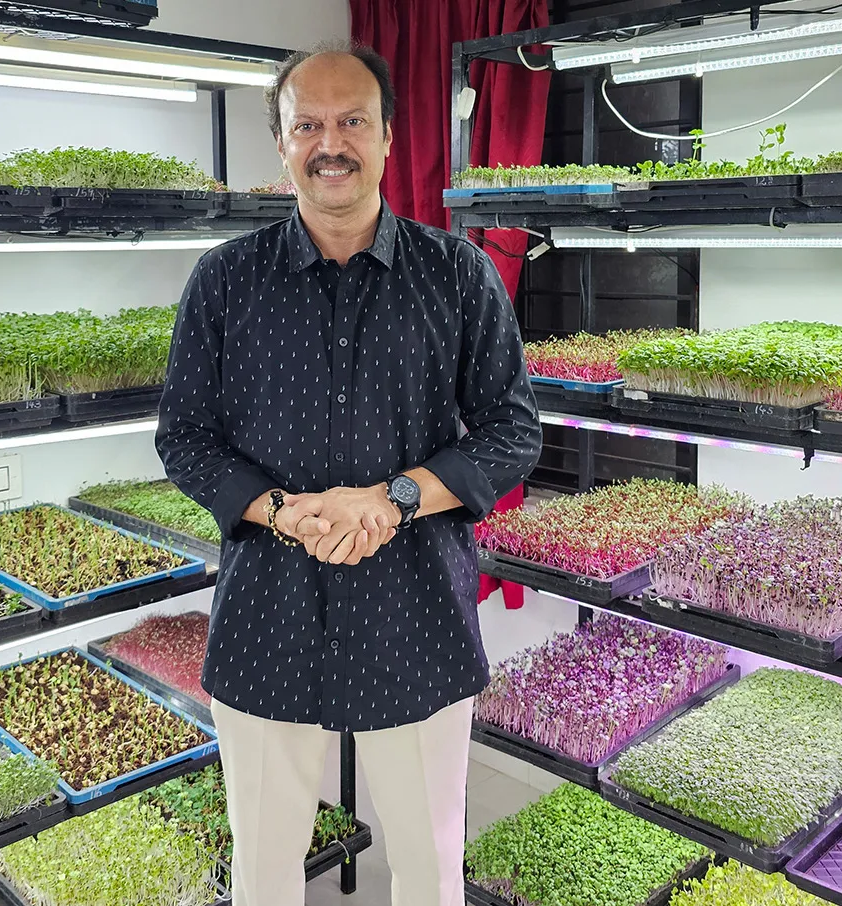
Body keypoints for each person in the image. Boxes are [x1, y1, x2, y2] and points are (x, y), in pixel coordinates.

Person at [156, 40, 543, 906]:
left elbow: (512, 430)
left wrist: (395, 498)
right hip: (268, 617)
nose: (331, 142)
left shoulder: (457, 274)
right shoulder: (224, 283)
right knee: (262, 872)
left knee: (430, 866)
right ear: (284, 144)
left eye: (352, 121)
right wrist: (283, 512)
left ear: (388, 139)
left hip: (416, 617)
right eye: (309, 125)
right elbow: (185, 439)